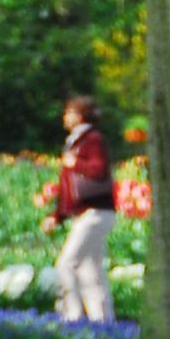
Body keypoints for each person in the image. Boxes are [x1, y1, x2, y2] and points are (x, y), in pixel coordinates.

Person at [43, 94, 116, 325]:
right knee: (90, 270)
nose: (65, 117)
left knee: (67, 263)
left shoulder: (91, 139)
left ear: (80, 115)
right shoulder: (76, 141)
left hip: (94, 212)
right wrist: (58, 216)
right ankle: (102, 322)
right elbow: (68, 187)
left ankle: (72, 317)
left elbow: (99, 170)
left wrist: (76, 163)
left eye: (69, 112)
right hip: (91, 213)